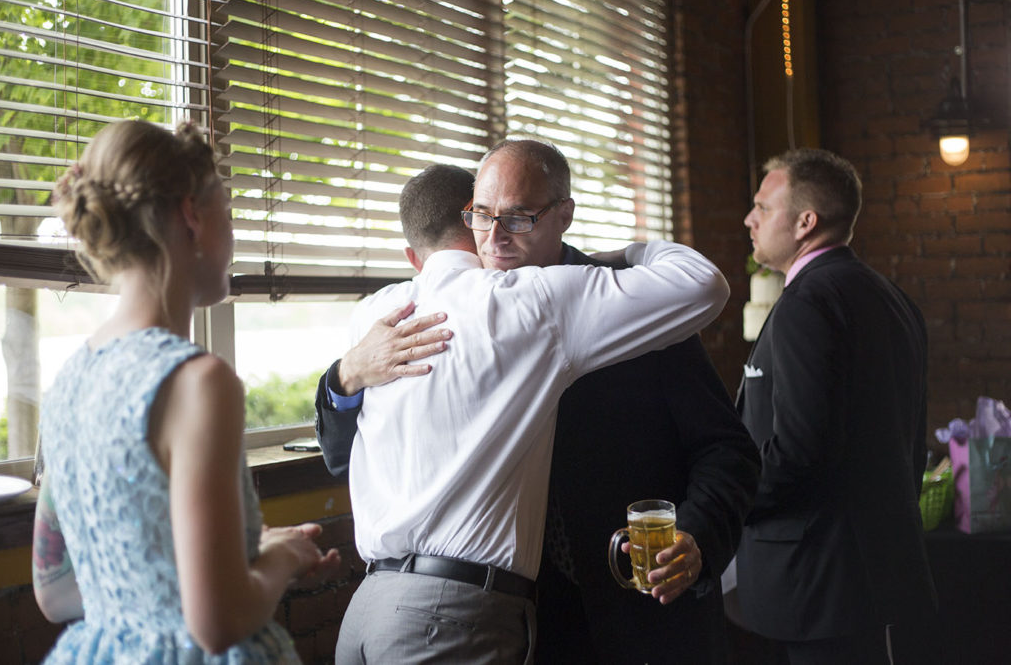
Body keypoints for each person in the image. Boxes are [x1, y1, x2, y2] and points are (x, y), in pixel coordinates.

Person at [317, 141, 761, 664]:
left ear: (562, 216)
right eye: (482, 216)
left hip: (638, 616)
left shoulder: (631, 305)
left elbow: (727, 450)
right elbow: (343, 454)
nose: (495, 237)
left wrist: (698, 537)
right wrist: (345, 375)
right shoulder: (436, 316)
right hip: (521, 622)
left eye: (519, 219)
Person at [32, 119, 341, 662]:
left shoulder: (69, 381)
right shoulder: (200, 383)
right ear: (192, 216)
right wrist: (283, 558)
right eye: (229, 211)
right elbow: (216, 625)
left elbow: (53, 591)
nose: (234, 232)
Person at [734, 148, 938, 664]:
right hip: (877, 568)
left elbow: (801, 451)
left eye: (762, 206)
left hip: (817, 580)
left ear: (805, 222)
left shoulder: (807, 303)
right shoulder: (891, 296)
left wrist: (723, 501)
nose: (749, 219)